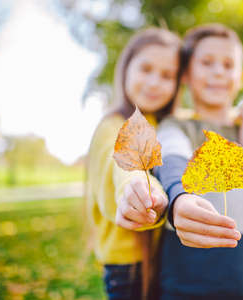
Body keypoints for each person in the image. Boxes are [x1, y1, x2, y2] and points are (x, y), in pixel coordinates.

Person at [153, 24, 243, 299]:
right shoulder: (176, 128)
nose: (219, 71)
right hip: (184, 289)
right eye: (207, 62)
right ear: (186, 73)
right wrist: (180, 197)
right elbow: (171, 161)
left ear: (240, 77)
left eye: (228, 64)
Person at [85, 27, 182, 300]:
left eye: (167, 75)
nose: (154, 82)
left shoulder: (165, 125)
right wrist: (137, 186)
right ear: (126, 68)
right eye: (146, 69)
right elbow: (121, 165)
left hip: (162, 260)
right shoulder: (112, 126)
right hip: (126, 270)